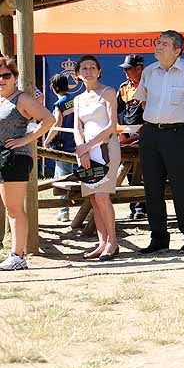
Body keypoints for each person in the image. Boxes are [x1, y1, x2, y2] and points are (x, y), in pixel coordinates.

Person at [133, 30, 184, 254]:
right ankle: (158, 237)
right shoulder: (149, 71)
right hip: (150, 134)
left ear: (177, 50)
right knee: (151, 188)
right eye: (157, 42)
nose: (158, 46)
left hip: (179, 134)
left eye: (164, 43)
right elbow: (141, 101)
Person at [0, 57, 55, 271]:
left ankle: (18, 255)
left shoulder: (21, 99)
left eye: (6, 75)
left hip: (14, 157)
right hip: (3, 157)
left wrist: (25, 140)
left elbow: (49, 119)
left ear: (15, 77)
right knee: (9, 207)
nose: (2, 79)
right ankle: (15, 253)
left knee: (14, 209)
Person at [72, 56, 122, 260]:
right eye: (84, 68)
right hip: (85, 152)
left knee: (102, 195)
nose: (89, 71)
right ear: (78, 74)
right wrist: (82, 150)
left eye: (93, 67)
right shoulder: (77, 99)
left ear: (99, 71)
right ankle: (102, 243)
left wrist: (89, 145)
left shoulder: (108, 92)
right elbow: (77, 127)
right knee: (94, 197)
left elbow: (111, 126)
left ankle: (113, 242)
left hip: (106, 148)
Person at [42, 73, 76, 222]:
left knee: (62, 179)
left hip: (64, 147)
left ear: (52, 88)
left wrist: (47, 140)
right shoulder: (75, 100)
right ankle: (88, 211)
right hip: (80, 144)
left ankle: (63, 212)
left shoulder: (60, 104)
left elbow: (57, 124)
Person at [116, 54, 146, 220]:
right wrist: (122, 133)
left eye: (128, 69)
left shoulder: (149, 85)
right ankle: (134, 206)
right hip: (127, 134)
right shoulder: (124, 87)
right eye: (124, 69)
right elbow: (115, 110)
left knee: (145, 172)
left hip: (147, 134)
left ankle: (142, 206)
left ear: (139, 68)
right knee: (129, 170)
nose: (125, 72)